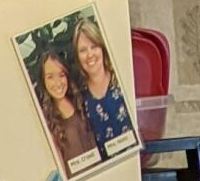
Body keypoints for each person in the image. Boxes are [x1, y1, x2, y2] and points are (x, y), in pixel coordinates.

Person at [74, 18, 134, 154]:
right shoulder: (79, 98)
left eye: (94, 46)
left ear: (102, 47)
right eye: (83, 50)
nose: (89, 54)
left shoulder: (121, 80)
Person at [32, 44, 93, 169]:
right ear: (43, 81)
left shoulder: (81, 101)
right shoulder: (45, 120)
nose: (58, 83)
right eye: (50, 77)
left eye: (61, 75)